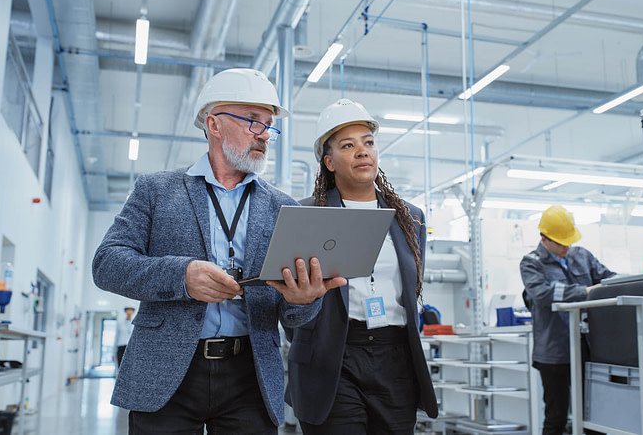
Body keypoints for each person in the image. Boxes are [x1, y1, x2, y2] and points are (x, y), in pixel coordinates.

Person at [92, 68, 346, 434]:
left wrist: (304, 300)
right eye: (253, 122)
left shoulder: (283, 207)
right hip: (167, 371)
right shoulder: (157, 190)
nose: (264, 136)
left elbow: (293, 318)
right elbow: (107, 264)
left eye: (269, 127)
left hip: (251, 375)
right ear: (214, 124)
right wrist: (182, 276)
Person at [285, 98, 438, 434]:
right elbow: (289, 299)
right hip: (332, 359)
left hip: (395, 357)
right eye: (348, 145)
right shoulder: (306, 215)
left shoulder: (410, 217)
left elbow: (411, 288)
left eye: (368, 143)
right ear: (328, 161)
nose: (362, 151)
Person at [519, 205, 615, 435]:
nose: (566, 247)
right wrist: (586, 291)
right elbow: (543, 294)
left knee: (594, 414)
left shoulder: (583, 256)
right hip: (554, 352)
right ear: (544, 239)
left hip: (588, 348)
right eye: (561, 243)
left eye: (568, 241)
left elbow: (609, 279)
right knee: (556, 417)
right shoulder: (531, 263)